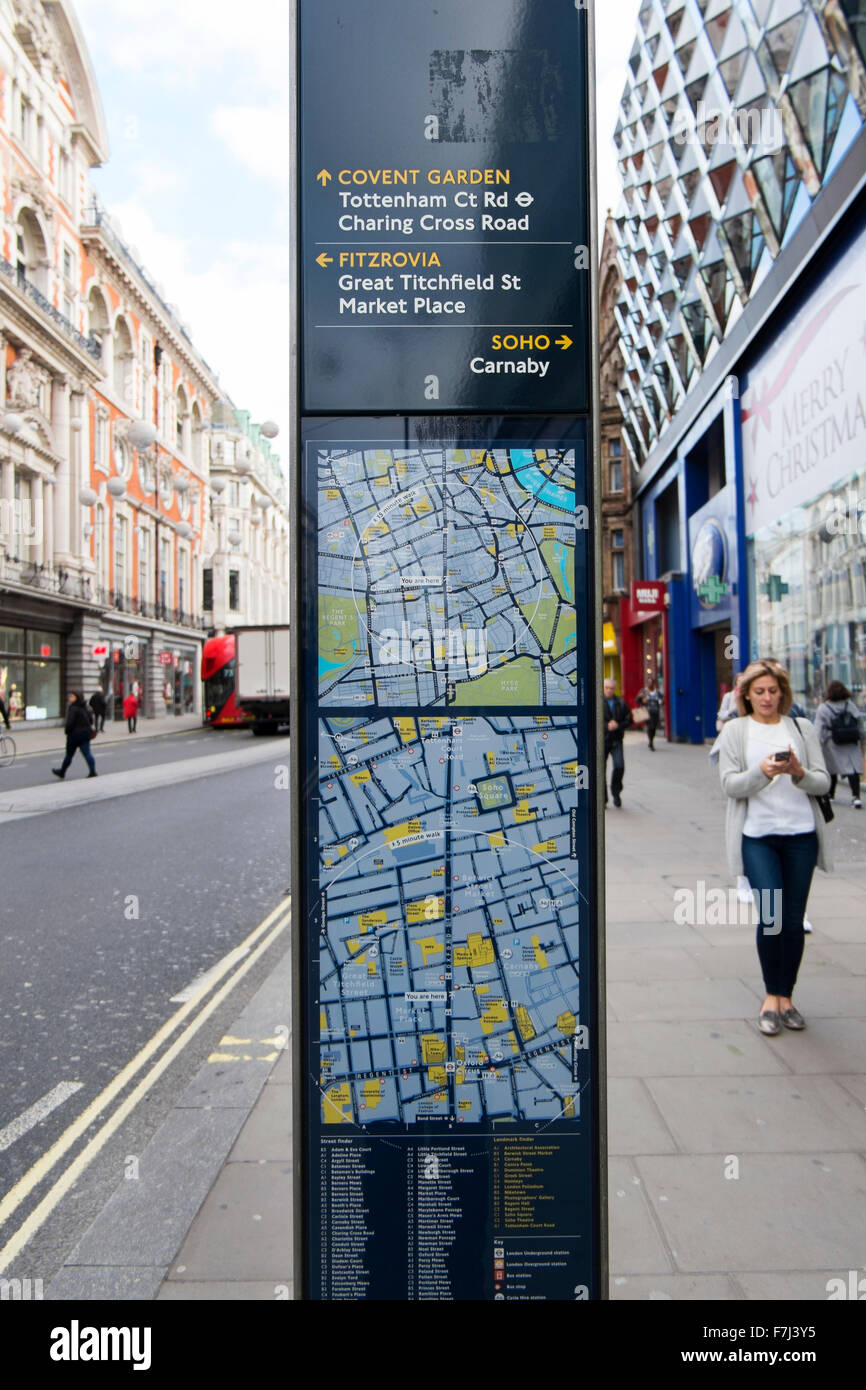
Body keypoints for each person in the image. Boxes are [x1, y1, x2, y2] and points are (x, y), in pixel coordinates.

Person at [717, 658, 831, 1036]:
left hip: (801, 836)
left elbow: (823, 783)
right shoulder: (736, 731)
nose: (767, 697)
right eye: (759, 691)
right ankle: (769, 996)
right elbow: (730, 786)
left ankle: (787, 997)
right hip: (758, 837)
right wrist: (762, 773)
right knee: (772, 917)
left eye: (773, 690)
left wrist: (798, 772)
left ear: (782, 693)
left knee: (794, 920)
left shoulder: (801, 727)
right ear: (746, 695)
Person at [814, 680, 864, 809]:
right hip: (851, 742)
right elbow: (859, 724)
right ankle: (856, 797)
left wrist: (816, 748)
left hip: (832, 743)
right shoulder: (850, 705)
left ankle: (831, 794)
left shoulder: (824, 708)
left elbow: (818, 730)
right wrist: (862, 741)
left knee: (832, 768)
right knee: (853, 769)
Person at [52, 692, 97, 780]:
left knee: (69, 755)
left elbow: (70, 722)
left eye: (72, 696)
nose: (70, 698)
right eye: (69, 696)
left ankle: (62, 772)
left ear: (77, 697)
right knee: (87, 753)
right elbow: (91, 721)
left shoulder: (73, 708)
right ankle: (92, 771)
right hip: (85, 734)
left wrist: (67, 731)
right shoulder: (85, 707)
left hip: (74, 735)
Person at [603, 677, 631, 807]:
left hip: (616, 740)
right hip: (602, 740)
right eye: (606, 688)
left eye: (611, 688)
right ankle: (602, 798)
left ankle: (616, 792)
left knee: (619, 766)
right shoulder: (597, 702)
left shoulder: (620, 702)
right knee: (600, 769)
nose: (609, 690)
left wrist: (618, 725)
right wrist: (606, 726)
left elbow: (629, 719)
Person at [636, 678, 661, 750]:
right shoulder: (643, 691)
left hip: (655, 712)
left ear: (654, 683)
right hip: (647, 712)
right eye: (649, 682)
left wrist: (661, 701)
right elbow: (637, 701)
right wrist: (639, 697)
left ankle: (651, 740)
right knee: (650, 727)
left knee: (654, 727)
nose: (650, 684)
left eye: (651, 682)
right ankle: (651, 742)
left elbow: (662, 700)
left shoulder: (657, 692)